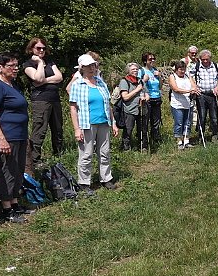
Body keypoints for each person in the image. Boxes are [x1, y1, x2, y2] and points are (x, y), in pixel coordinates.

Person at [0, 54, 29, 223]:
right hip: (7, 135)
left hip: (19, 134)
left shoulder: (13, 84)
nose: (15, 68)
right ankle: (6, 208)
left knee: (17, 169)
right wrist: (1, 138)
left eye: (17, 65)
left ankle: (15, 203)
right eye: (11, 65)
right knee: (7, 170)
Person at [69, 54, 118, 194]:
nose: (91, 68)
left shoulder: (100, 82)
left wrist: (113, 123)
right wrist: (76, 129)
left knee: (105, 152)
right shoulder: (77, 85)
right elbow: (73, 108)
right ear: (81, 68)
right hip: (87, 124)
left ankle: (106, 178)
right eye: (88, 66)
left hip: (104, 122)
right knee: (86, 154)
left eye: (93, 65)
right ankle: (84, 182)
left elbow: (108, 104)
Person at [22, 38, 64, 170]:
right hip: (40, 100)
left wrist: (43, 81)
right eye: (38, 48)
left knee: (58, 128)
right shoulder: (28, 64)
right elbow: (36, 78)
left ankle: (59, 155)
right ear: (31, 49)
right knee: (40, 129)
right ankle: (34, 159)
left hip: (55, 98)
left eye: (43, 48)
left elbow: (59, 77)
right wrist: (40, 63)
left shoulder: (50, 62)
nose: (41, 50)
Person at [169, 60, 199, 149]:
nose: (182, 71)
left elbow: (194, 84)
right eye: (180, 69)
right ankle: (179, 141)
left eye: (184, 69)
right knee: (179, 123)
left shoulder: (187, 75)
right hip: (177, 104)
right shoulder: (172, 76)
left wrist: (194, 89)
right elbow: (175, 89)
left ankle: (186, 140)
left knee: (188, 122)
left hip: (188, 103)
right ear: (176, 70)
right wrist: (188, 91)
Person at [194, 50, 218, 140]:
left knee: (214, 116)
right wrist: (195, 87)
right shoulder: (197, 67)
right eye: (203, 59)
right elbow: (190, 78)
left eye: (207, 59)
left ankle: (214, 134)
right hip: (201, 95)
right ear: (200, 59)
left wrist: (217, 87)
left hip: (212, 94)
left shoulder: (215, 66)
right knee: (202, 116)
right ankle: (201, 135)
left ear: (210, 58)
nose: (205, 61)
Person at [118, 62, 146, 151]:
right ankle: (126, 148)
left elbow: (147, 93)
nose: (135, 71)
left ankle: (142, 147)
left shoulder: (140, 81)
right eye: (133, 69)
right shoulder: (124, 81)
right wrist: (137, 90)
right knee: (128, 130)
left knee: (142, 129)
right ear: (128, 71)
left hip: (141, 109)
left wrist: (145, 98)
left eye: (136, 69)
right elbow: (125, 97)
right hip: (129, 109)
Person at [139, 52, 162, 149]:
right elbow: (138, 85)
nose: (152, 60)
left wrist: (160, 77)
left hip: (157, 98)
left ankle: (155, 140)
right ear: (145, 61)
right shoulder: (142, 71)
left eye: (153, 58)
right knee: (145, 121)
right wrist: (144, 80)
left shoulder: (155, 70)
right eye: (150, 59)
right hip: (147, 98)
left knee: (156, 121)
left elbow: (160, 86)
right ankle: (144, 143)